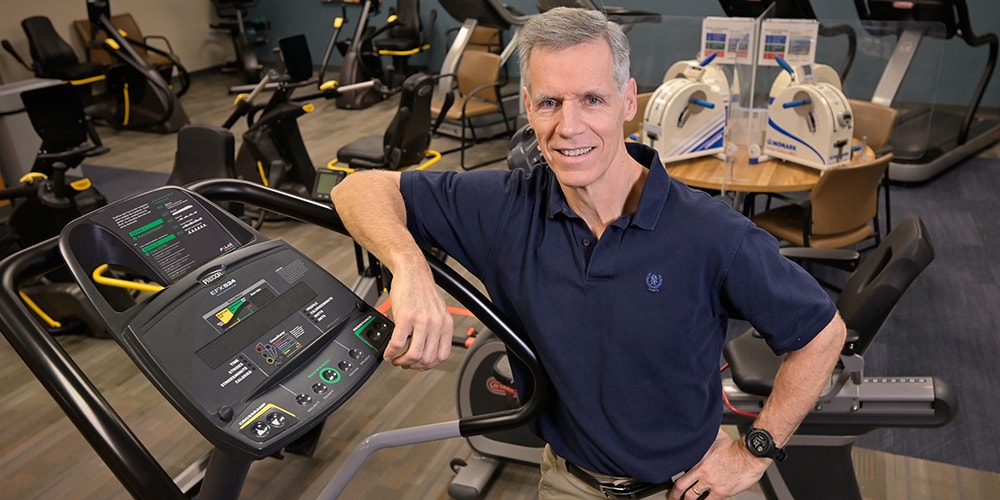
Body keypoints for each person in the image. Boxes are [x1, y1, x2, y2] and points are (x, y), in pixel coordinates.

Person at [332, 7, 846, 499]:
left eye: (592, 100)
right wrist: (411, 269)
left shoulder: (712, 233)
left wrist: (756, 451)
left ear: (628, 101)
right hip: (565, 483)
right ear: (528, 106)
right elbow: (356, 190)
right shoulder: (506, 208)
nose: (569, 126)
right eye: (550, 103)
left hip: (682, 487)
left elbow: (823, 334)